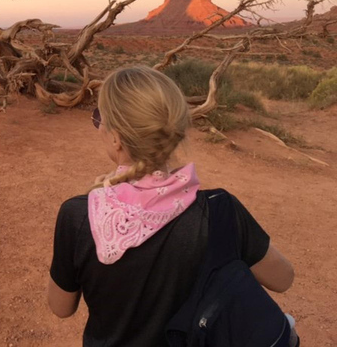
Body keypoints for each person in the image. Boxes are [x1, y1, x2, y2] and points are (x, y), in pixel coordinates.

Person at [47, 66, 297, 347]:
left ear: (116, 137)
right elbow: (283, 278)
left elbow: (61, 307)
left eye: (99, 119)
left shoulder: (78, 216)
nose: (99, 127)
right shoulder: (220, 210)